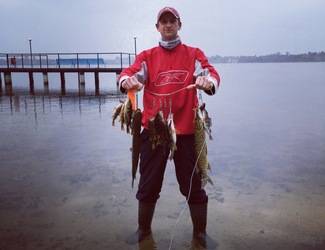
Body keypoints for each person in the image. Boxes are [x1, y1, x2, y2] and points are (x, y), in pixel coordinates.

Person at [119, 6, 220, 248]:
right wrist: (127, 82)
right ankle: (143, 231)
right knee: (149, 183)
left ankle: (200, 235)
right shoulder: (147, 56)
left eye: (171, 21)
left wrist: (208, 82)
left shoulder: (193, 54)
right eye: (163, 22)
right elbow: (127, 74)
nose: (167, 25)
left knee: (193, 185)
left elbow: (212, 75)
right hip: (155, 132)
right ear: (157, 27)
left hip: (187, 132)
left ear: (179, 24)